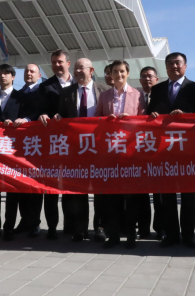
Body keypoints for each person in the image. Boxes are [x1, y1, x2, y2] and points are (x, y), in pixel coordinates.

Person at [41, 58, 105, 242]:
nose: (76, 71)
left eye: (80, 68)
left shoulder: (104, 91)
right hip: (76, 149)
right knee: (79, 191)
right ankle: (80, 229)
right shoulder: (67, 92)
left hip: (98, 148)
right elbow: (63, 116)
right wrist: (58, 116)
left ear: (91, 70)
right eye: (75, 68)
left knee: (100, 190)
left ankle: (99, 227)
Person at [147, 52, 195, 248]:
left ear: (185, 66)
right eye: (170, 63)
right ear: (165, 67)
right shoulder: (157, 89)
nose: (174, 66)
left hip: (188, 149)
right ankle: (171, 235)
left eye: (178, 63)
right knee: (167, 196)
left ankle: (189, 235)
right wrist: (153, 114)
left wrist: (187, 116)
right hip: (164, 150)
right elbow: (149, 116)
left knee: (189, 195)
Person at [95, 60, 148, 249]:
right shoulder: (104, 96)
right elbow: (96, 121)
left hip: (130, 153)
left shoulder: (138, 95)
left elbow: (144, 121)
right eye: (115, 71)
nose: (118, 75)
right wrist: (106, 121)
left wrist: (131, 120)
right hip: (110, 154)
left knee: (131, 198)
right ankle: (113, 235)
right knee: (112, 198)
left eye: (122, 71)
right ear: (110, 75)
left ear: (127, 73)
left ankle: (131, 235)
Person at [37, 49, 74, 239]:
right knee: (50, 189)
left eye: (60, 62)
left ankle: (71, 226)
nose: (57, 65)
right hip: (52, 144)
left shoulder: (79, 83)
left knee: (72, 187)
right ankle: (52, 226)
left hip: (75, 144)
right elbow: (40, 107)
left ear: (68, 63)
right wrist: (42, 114)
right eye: (53, 62)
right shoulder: (45, 86)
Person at [0, 63, 22, 241]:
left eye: (6, 73)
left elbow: (27, 117)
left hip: (13, 150)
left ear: (13, 76)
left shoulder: (21, 97)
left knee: (12, 192)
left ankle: (9, 227)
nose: (3, 76)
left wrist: (20, 121)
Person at [9, 63, 44, 237]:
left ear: (39, 75)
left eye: (32, 71)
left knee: (34, 187)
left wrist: (28, 119)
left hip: (36, 144)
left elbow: (41, 111)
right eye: (26, 71)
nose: (29, 73)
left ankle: (34, 222)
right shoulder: (17, 93)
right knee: (21, 186)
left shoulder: (42, 91)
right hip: (19, 146)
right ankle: (24, 221)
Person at [137, 66, 160, 239]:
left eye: (150, 76)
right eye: (144, 77)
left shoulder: (162, 94)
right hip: (137, 151)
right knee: (141, 193)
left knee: (159, 194)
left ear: (157, 79)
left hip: (158, 150)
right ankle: (143, 228)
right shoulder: (135, 96)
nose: (147, 79)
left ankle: (160, 228)